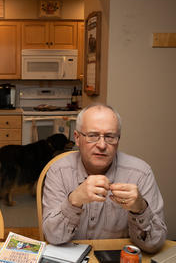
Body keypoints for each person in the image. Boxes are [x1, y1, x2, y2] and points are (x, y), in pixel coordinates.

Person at [42, 103, 167, 253]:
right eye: (92, 135)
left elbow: (154, 244)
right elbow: (52, 237)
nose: (102, 145)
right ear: (77, 138)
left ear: (118, 140)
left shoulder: (140, 173)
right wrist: (73, 201)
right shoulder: (59, 171)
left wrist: (140, 209)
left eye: (109, 136)